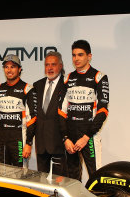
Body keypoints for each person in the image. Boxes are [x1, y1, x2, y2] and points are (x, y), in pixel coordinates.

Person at [58, 40, 109, 181]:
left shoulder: (99, 77)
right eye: (74, 55)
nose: (76, 59)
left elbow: (103, 111)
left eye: (80, 55)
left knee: (95, 178)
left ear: (89, 56)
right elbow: (61, 112)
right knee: (72, 180)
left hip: (89, 137)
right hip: (71, 138)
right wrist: (65, 138)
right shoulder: (68, 78)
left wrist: (86, 137)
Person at [0, 54, 37, 167]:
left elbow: (31, 119)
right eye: (6, 67)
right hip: (1, 138)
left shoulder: (27, 89)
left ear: (19, 69)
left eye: (13, 66)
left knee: (20, 175)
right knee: (0, 173)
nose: (9, 70)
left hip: (18, 138)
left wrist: (28, 143)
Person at [32, 51, 66, 175]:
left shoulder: (66, 85)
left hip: (60, 146)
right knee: (42, 184)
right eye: (47, 65)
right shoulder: (37, 85)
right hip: (41, 146)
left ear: (60, 66)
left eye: (53, 64)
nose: (50, 68)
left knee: (60, 185)